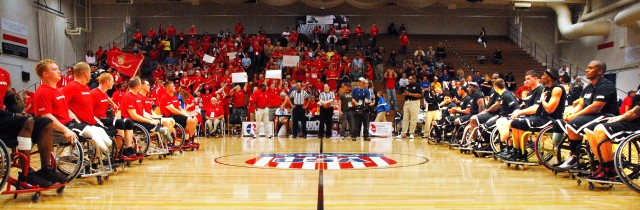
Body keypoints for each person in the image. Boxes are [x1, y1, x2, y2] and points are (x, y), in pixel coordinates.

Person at [0, 66, 64, 187]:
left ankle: (46, 169)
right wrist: (15, 115)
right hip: (3, 118)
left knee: (46, 122)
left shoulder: (4, 73)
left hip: (4, 117)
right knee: (27, 121)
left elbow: (11, 102)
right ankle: (26, 174)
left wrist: (20, 112)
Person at [559, 60, 619, 169]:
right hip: (593, 115)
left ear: (599, 71)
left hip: (606, 115)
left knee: (574, 123)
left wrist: (575, 116)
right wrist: (572, 113)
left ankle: (579, 158)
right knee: (567, 123)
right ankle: (576, 155)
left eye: (590, 68)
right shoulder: (588, 87)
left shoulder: (605, 85)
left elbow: (596, 107)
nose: (586, 70)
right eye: (587, 67)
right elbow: (582, 103)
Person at [587, 69, 640, 180]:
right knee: (590, 130)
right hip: (632, 121)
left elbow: (636, 112)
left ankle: (610, 169)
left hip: (636, 125)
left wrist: (619, 117)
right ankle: (603, 164)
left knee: (601, 129)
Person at [504, 69, 566, 161]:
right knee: (515, 122)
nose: (542, 77)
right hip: (541, 117)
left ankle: (522, 153)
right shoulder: (546, 89)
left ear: (549, 77)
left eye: (544, 75)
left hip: (551, 119)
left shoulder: (557, 89)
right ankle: (517, 151)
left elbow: (549, 109)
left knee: (520, 123)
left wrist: (542, 100)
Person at [61, 62, 113, 153]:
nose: (90, 75)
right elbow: (61, 105)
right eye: (90, 73)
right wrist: (75, 119)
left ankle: (95, 160)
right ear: (86, 73)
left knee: (108, 142)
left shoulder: (86, 87)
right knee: (103, 147)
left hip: (91, 122)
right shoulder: (71, 87)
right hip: (81, 124)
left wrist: (97, 120)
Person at [90, 72, 140, 158]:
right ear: (107, 82)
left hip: (105, 118)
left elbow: (106, 98)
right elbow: (89, 110)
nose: (114, 83)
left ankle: (128, 148)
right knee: (120, 122)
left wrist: (113, 104)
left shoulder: (103, 93)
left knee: (129, 122)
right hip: (98, 119)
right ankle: (118, 152)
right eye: (112, 81)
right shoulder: (94, 93)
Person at [496, 70, 543, 156]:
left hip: (537, 117)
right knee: (512, 121)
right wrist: (519, 110)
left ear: (536, 79)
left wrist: (520, 112)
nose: (526, 81)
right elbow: (525, 106)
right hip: (528, 116)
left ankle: (522, 152)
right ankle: (516, 150)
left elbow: (536, 108)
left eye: (529, 79)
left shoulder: (540, 90)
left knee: (517, 122)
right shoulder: (531, 91)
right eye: (525, 79)